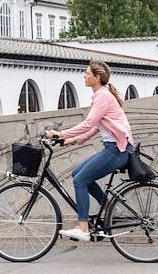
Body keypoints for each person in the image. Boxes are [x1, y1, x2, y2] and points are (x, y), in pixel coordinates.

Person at [45, 60, 134, 242]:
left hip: (117, 150)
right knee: (78, 173)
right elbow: (96, 128)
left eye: (87, 73)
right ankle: (109, 208)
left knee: (79, 180)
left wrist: (60, 133)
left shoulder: (103, 96)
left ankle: (83, 228)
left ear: (97, 77)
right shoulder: (102, 95)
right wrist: (72, 140)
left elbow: (89, 124)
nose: (84, 76)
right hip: (115, 148)